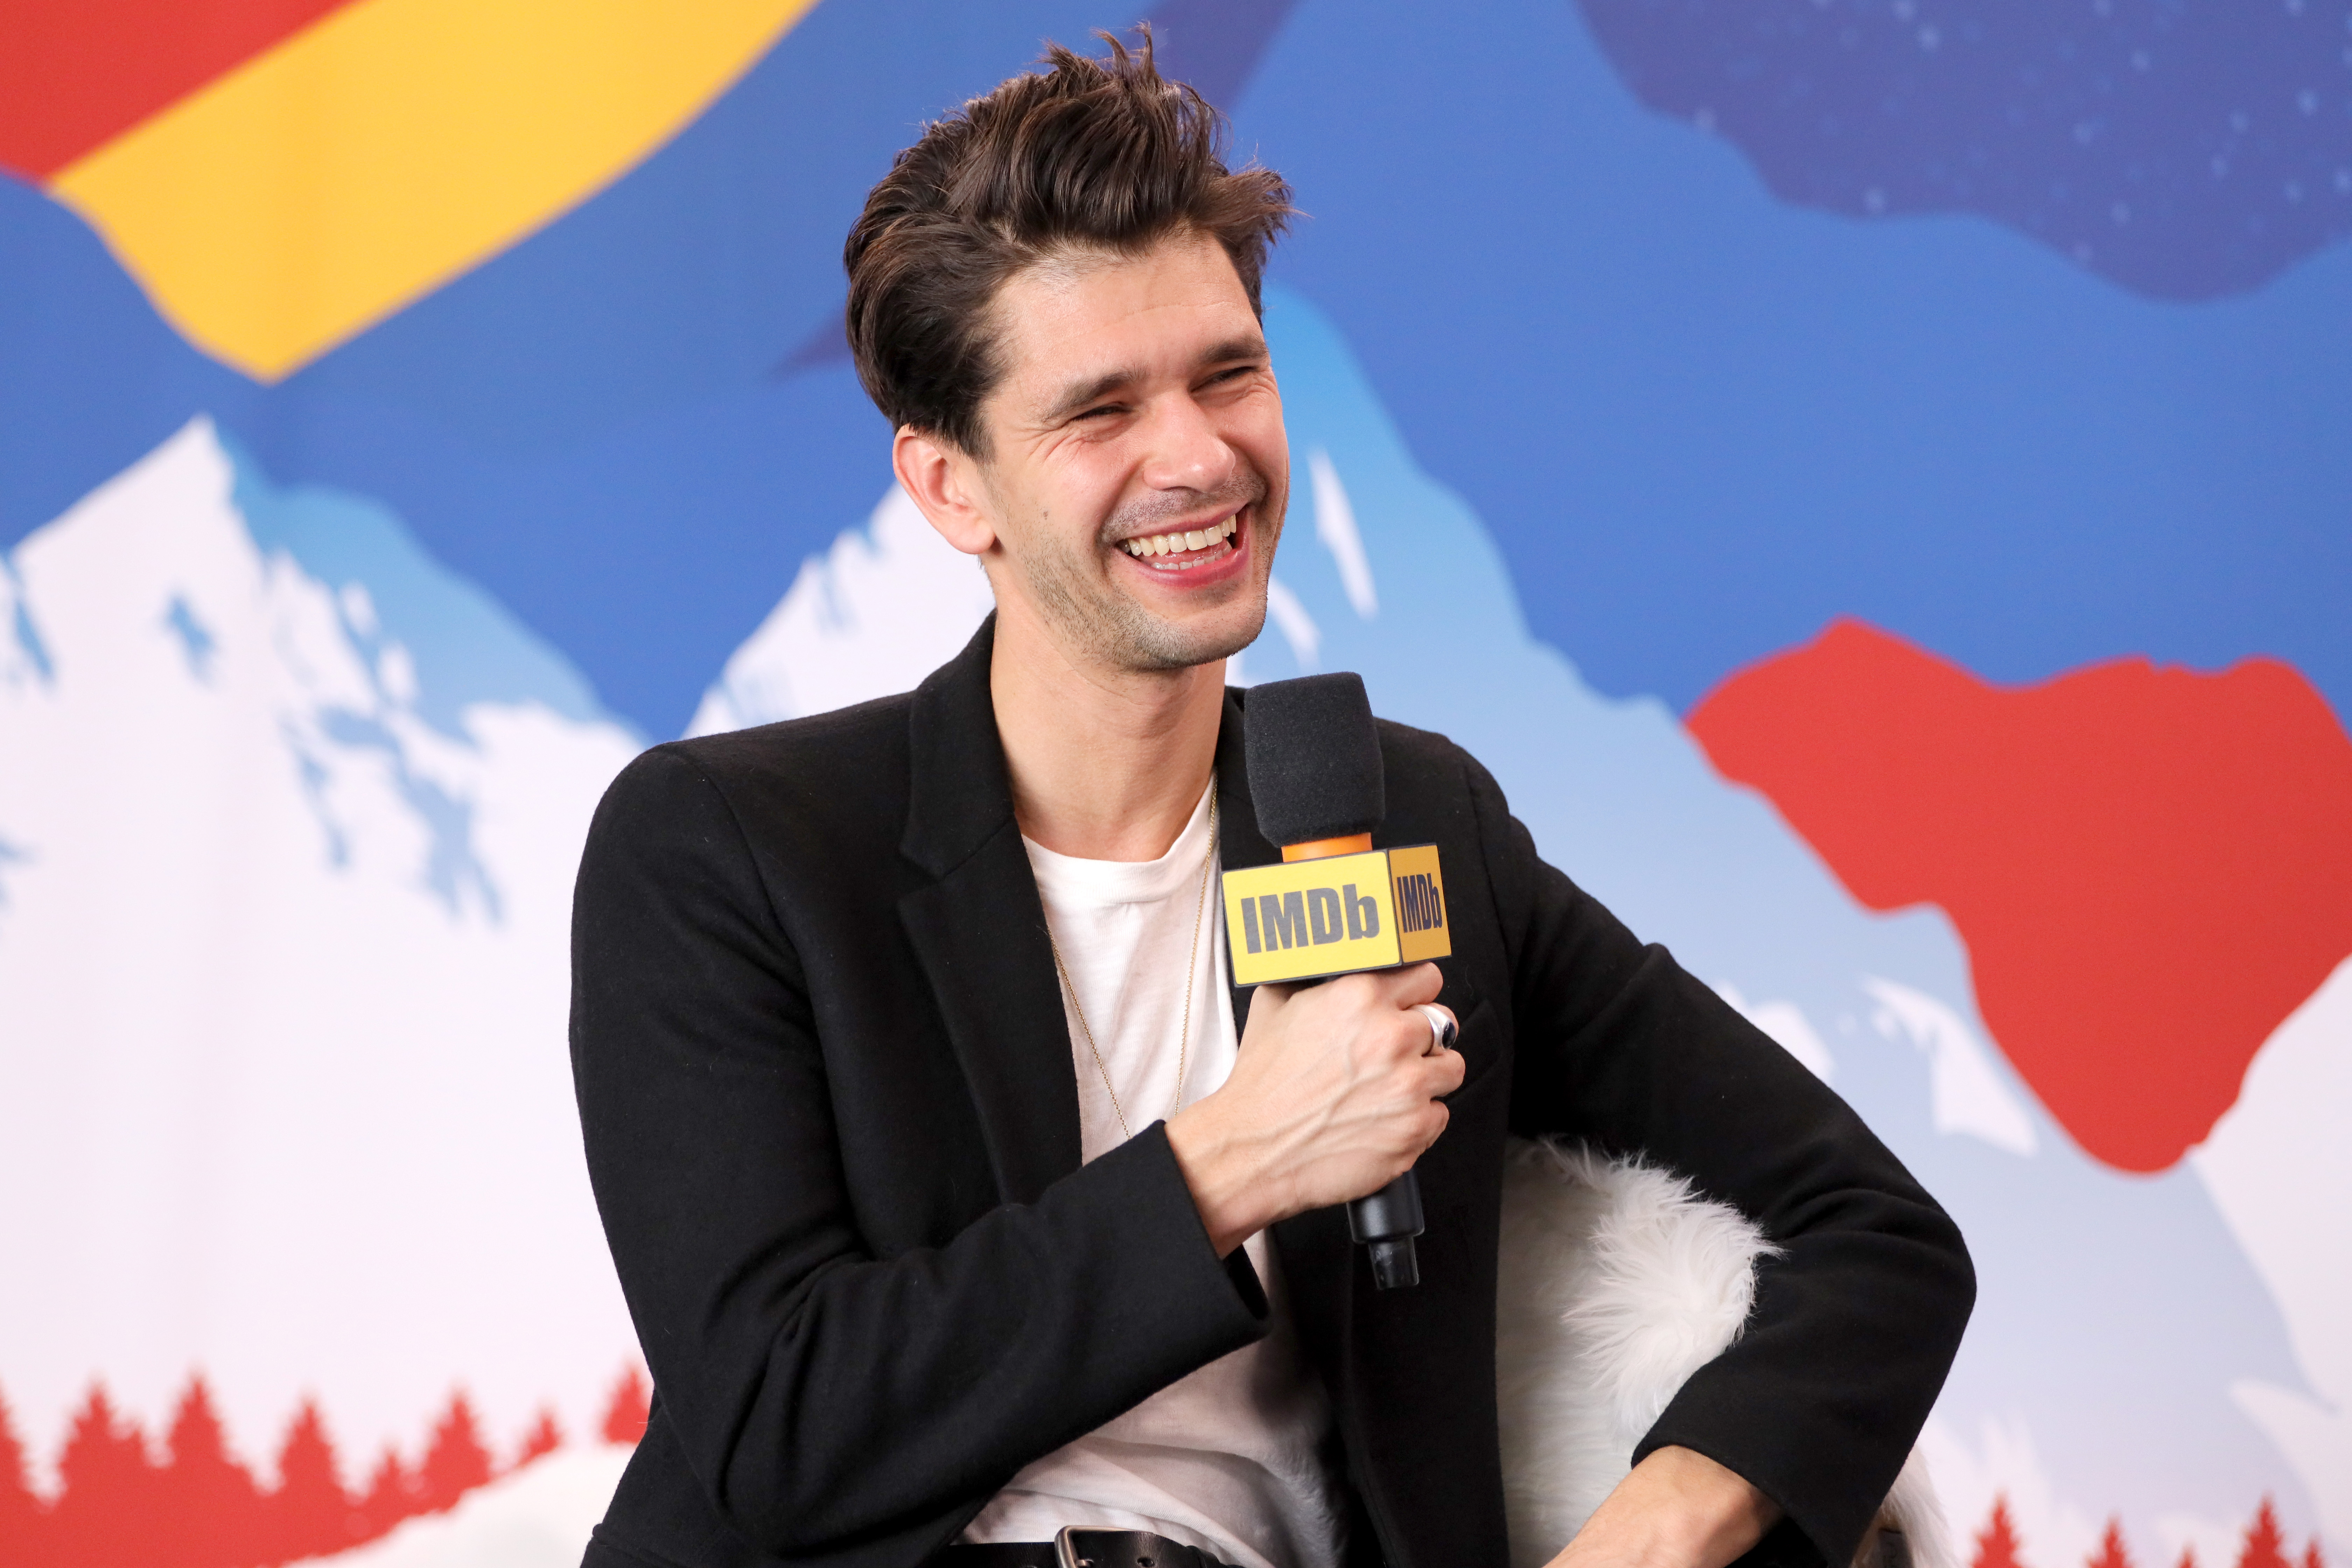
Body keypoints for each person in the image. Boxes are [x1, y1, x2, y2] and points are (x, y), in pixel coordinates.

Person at [569, 31, 1973, 1568]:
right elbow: (779, 1423)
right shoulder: (734, 846)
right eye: (1100, 411)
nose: (1197, 454)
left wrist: (1653, 1528)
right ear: (949, 485)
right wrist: (1235, 1155)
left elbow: (1880, 1240)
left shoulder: (1413, 823)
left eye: (1228, 372)